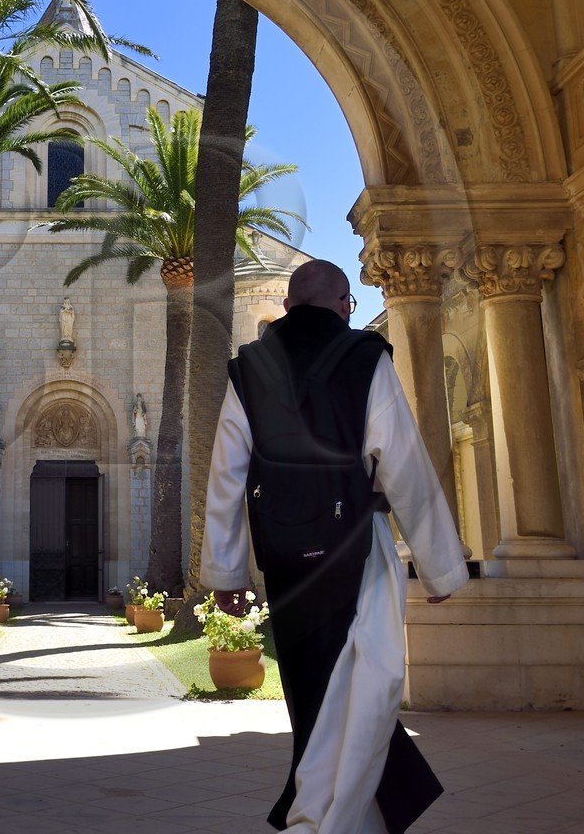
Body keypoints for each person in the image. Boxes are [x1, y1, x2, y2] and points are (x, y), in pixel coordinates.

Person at [201, 259, 468, 834]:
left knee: (311, 682)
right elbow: (403, 466)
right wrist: (439, 566)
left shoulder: (248, 368)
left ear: (291, 307)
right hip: (357, 552)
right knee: (366, 684)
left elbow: (226, 476)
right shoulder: (364, 357)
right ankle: (321, 819)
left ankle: (342, 813)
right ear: (345, 304)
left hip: (284, 558)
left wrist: (227, 575)